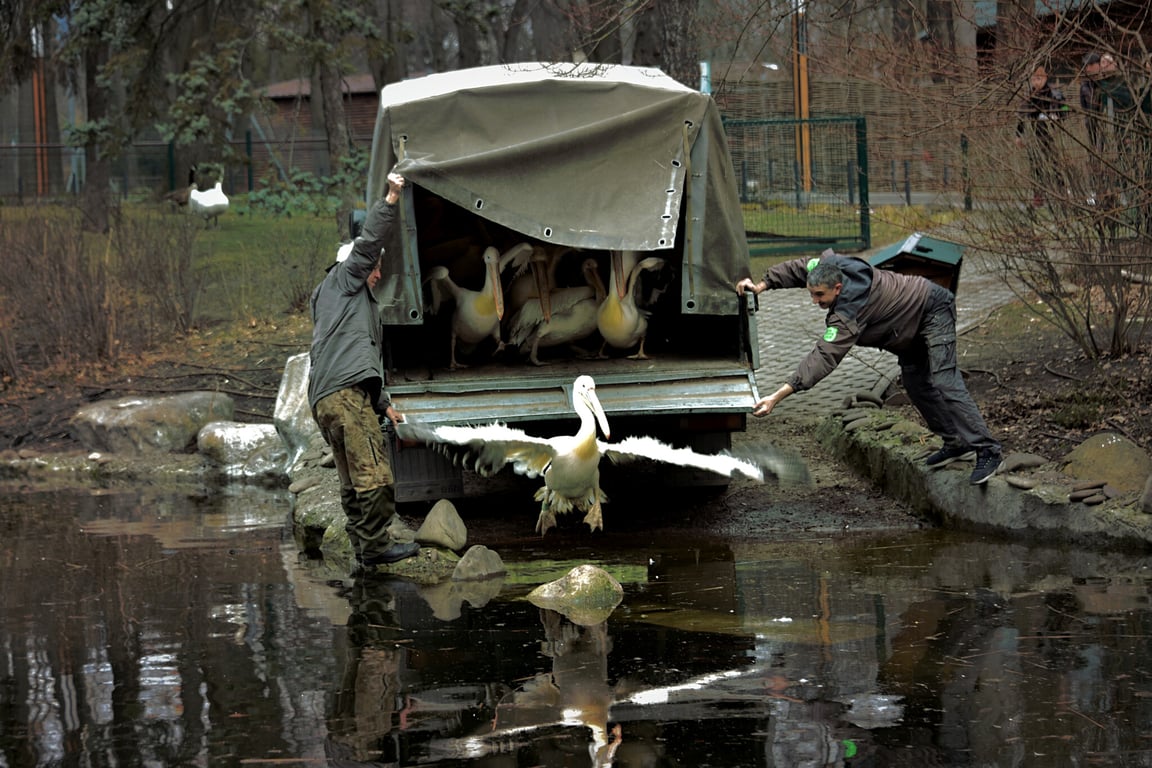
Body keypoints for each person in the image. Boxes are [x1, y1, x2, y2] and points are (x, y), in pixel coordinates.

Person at [735, 250, 1003, 485]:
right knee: (915, 384)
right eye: (811, 293)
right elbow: (799, 267)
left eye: (819, 295)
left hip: (932, 310)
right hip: (906, 327)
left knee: (945, 381)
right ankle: (955, 442)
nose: (814, 301)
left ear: (838, 288)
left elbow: (823, 357)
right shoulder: (827, 265)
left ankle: (988, 450)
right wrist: (762, 285)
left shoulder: (850, 313)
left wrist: (777, 396)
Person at [309, 171, 420, 573]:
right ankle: (375, 549)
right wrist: (390, 198)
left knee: (349, 476)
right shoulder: (345, 280)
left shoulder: (334, 302)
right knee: (374, 472)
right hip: (343, 394)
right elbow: (370, 239)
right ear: (356, 264)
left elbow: (361, 357)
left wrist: (384, 404)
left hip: (325, 399)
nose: (377, 273)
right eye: (374, 267)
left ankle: (360, 549)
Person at [1014, 64, 1068, 207]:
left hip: (1052, 136)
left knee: (1055, 165)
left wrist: (1058, 115)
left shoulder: (1054, 94)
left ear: (1045, 78)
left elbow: (1065, 108)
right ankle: (1038, 195)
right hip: (1035, 136)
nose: (1036, 82)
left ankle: (1062, 193)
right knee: (1036, 167)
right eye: (1033, 79)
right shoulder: (1029, 97)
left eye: (1038, 79)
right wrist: (1018, 135)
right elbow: (1022, 116)